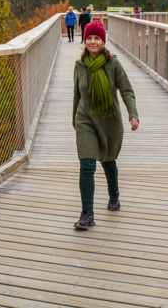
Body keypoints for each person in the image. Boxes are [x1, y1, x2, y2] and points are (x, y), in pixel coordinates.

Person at [73, 20, 139, 230]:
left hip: (110, 121)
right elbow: (77, 94)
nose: (93, 42)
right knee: (87, 165)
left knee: (108, 161)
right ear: (85, 41)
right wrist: (74, 118)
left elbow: (126, 90)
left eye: (97, 38)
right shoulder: (79, 65)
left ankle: (114, 194)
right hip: (85, 119)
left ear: (103, 41)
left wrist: (133, 114)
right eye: (89, 38)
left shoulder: (113, 64)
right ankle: (87, 213)